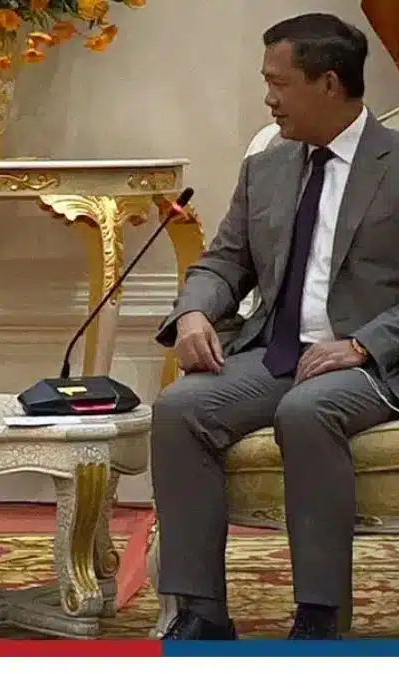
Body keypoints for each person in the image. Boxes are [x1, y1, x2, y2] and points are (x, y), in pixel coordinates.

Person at [152, 13, 399, 640]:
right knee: (179, 408)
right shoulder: (268, 166)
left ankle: (319, 617)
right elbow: (224, 261)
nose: (268, 98)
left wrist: (363, 344)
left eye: (279, 83)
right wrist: (194, 311)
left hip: (374, 358)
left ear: (330, 83)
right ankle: (201, 614)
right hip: (277, 351)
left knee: (307, 411)